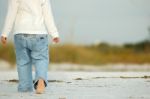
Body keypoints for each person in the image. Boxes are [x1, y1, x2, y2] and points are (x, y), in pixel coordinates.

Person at [1, 0, 60, 94]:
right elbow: (48, 15)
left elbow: (11, 13)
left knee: (23, 62)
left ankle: (25, 87)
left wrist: (5, 33)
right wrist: (54, 34)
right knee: (41, 59)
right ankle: (40, 80)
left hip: (20, 33)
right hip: (38, 32)